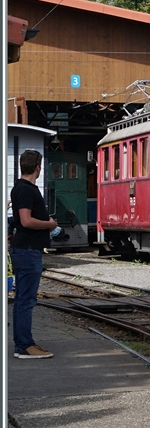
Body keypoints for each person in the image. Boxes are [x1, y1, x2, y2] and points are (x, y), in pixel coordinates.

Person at [10, 150, 56, 359]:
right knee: (26, 300)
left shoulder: (21, 188)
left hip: (25, 249)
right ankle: (24, 345)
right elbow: (26, 221)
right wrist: (49, 224)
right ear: (38, 167)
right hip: (27, 251)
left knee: (23, 299)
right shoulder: (26, 190)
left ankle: (24, 343)